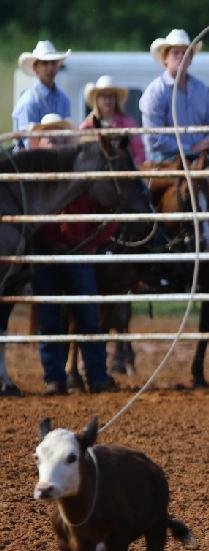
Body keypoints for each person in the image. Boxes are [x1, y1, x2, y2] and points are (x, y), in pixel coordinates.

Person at [28, 116, 119, 395]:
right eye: (49, 137)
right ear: (40, 142)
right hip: (47, 252)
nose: (55, 141)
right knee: (50, 319)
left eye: (60, 136)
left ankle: (96, 377)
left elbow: (110, 210)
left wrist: (96, 240)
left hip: (77, 251)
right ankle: (55, 378)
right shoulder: (34, 175)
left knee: (88, 318)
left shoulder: (79, 173)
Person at [139, 28, 209, 162]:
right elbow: (153, 137)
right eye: (176, 53)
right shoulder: (155, 91)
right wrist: (191, 148)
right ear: (165, 58)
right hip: (165, 160)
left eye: (186, 53)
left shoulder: (201, 89)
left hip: (200, 157)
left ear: (191, 59)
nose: (181, 56)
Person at [12, 41, 72, 150]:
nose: (50, 68)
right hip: (32, 161)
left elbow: (66, 135)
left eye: (53, 63)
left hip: (59, 156)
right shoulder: (28, 101)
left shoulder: (64, 99)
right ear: (35, 68)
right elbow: (26, 142)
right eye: (45, 63)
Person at [80, 75, 145, 164]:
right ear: (97, 99)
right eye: (104, 96)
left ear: (116, 99)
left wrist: (131, 166)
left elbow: (139, 152)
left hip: (124, 171)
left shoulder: (128, 123)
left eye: (111, 96)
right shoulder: (87, 126)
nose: (108, 100)